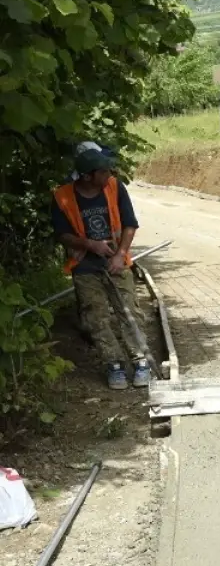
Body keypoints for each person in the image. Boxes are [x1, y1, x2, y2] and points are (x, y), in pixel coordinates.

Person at [51, 148, 150, 389]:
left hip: (116, 261)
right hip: (84, 265)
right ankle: (114, 364)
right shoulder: (62, 197)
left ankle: (140, 362)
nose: (109, 173)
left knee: (129, 312)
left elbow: (129, 224)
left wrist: (120, 255)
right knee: (95, 316)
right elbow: (62, 234)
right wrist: (89, 244)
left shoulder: (115, 187)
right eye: (104, 170)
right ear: (87, 176)